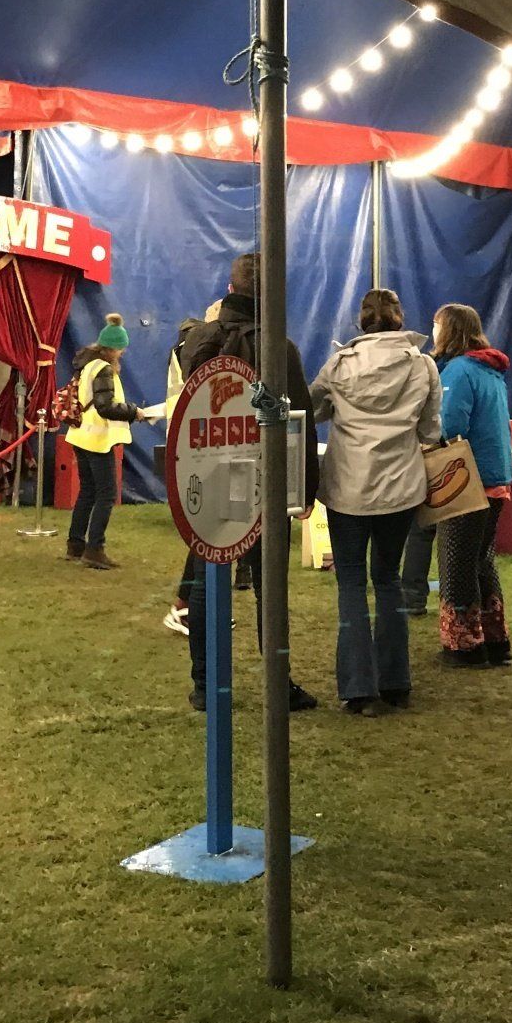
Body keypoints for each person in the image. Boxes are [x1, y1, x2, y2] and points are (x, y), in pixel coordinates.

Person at [178, 253, 320, 712]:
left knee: (205, 583)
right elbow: (299, 425)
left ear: (230, 284)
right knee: (268, 586)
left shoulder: (197, 339)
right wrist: (305, 490)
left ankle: (205, 682)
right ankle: (278, 681)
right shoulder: (280, 347)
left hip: (209, 477)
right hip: (265, 483)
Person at [311, 288, 441, 715]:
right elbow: (429, 432)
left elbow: (312, 411)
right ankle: (396, 683)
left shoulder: (340, 365)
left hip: (347, 487)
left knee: (350, 583)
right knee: (388, 580)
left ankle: (358, 688)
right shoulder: (423, 366)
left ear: (361, 321)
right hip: (401, 488)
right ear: (401, 318)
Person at [432, 303, 512, 667]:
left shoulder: (460, 370)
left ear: (448, 330)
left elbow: (450, 424)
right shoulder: (490, 369)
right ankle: (495, 639)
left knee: (458, 562)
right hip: (496, 475)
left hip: (469, 478)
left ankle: (464, 645)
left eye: (436, 326)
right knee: (481, 559)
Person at [64, 312, 160, 570]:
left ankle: (75, 544)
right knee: (106, 494)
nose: (123, 353)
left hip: (81, 435)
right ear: (114, 348)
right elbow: (106, 407)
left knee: (87, 491)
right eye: (122, 349)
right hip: (98, 439)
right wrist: (134, 412)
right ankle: (95, 549)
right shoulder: (104, 370)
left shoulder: (88, 364)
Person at [162, 300, 221, 638]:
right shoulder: (197, 350)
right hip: (196, 448)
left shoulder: (185, 349)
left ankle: (194, 607)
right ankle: (186, 608)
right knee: (205, 538)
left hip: (190, 445)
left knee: (209, 537)